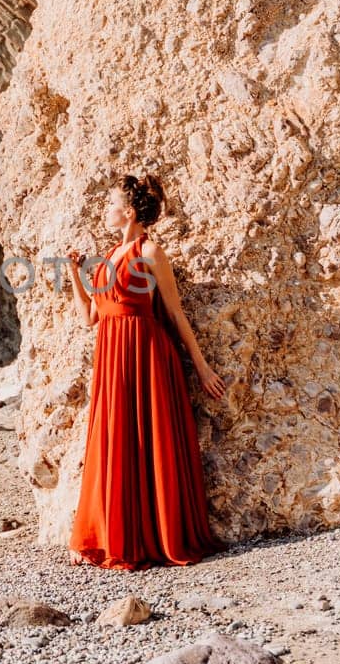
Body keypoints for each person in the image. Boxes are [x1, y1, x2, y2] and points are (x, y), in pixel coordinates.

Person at [63, 173, 228, 569]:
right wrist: (74, 274)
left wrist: (202, 367)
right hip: (111, 355)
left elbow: (174, 312)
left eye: (110, 203)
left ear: (130, 211)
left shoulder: (151, 252)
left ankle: (154, 536)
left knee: (148, 442)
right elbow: (90, 317)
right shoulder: (105, 258)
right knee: (115, 438)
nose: (105, 210)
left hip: (147, 353)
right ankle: (113, 535)